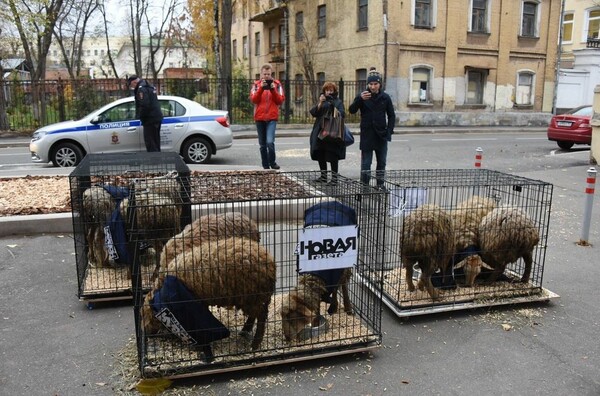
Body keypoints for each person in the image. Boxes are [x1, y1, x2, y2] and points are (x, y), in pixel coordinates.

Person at [348, 69, 396, 189]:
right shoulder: (363, 96)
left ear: (380, 84)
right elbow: (351, 110)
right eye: (371, 84)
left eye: (375, 84)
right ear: (368, 84)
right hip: (367, 135)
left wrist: (389, 131)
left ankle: (380, 185)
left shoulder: (385, 97)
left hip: (381, 135)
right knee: (366, 164)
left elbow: (391, 115)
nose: (373, 86)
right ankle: (364, 186)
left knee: (382, 162)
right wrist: (359, 99)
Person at [309, 81, 346, 185]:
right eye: (326, 90)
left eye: (331, 90)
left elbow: (342, 114)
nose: (328, 92)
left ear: (334, 91)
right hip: (320, 131)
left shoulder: (338, 101)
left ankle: (334, 178)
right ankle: (323, 176)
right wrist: (320, 102)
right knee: (320, 152)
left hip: (332, 131)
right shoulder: (322, 100)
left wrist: (333, 104)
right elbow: (313, 112)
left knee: (332, 154)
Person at [249, 64, 285, 169]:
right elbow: (254, 100)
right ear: (261, 74)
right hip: (259, 118)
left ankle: (272, 162)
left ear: (271, 74)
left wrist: (273, 89)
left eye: (268, 74)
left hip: (272, 118)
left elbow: (280, 100)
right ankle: (265, 166)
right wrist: (261, 88)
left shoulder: (277, 85)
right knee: (262, 145)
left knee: (270, 142)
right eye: (264, 74)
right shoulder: (256, 85)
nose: (266, 76)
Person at [127, 75, 163, 152]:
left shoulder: (141, 89)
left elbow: (144, 105)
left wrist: (140, 116)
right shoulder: (148, 86)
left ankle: (154, 161)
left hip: (149, 119)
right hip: (155, 117)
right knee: (155, 141)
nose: (132, 87)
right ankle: (158, 160)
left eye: (131, 85)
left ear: (134, 82)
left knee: (150, 142)